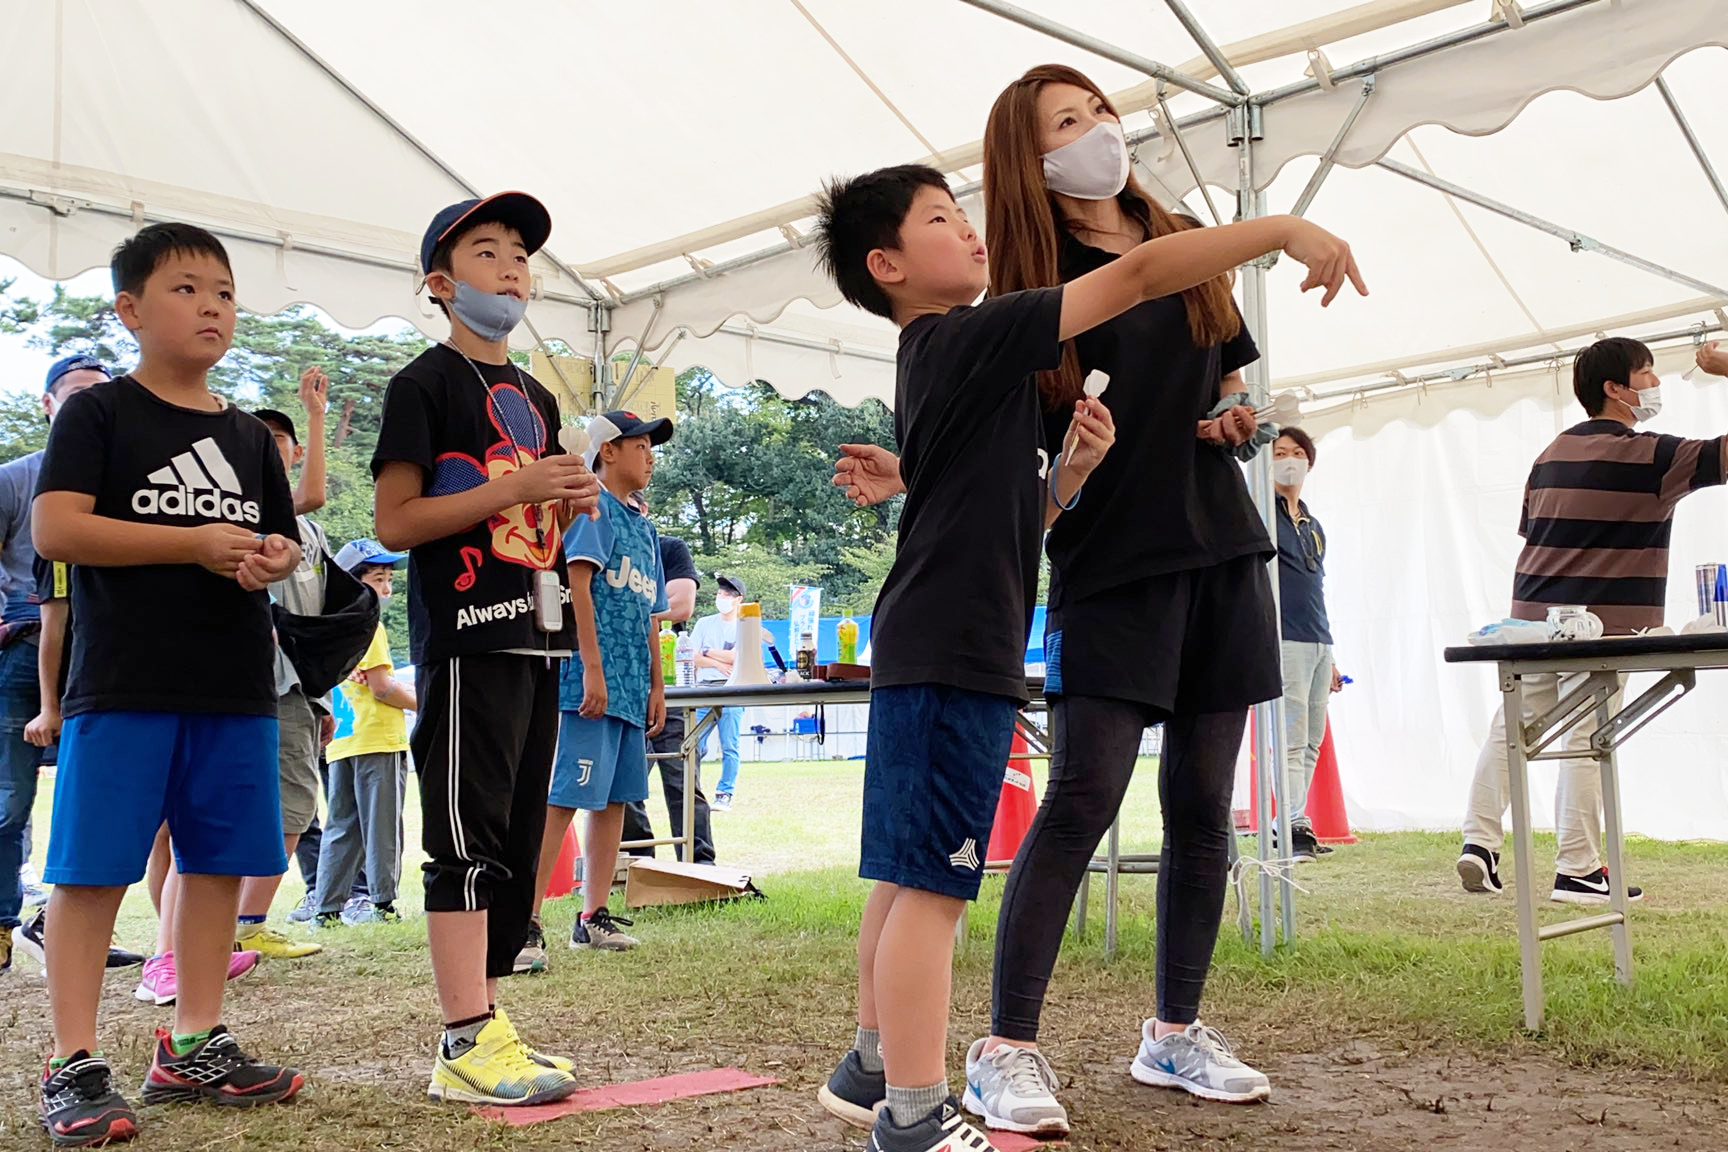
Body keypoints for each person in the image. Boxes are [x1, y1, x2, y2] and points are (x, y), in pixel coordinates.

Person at [830, 68, 1365, 1136]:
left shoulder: (958, 341)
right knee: (961, 866)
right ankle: (926, 1100)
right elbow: (1134, 283)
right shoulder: (987, 325)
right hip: (1020, 610)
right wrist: (1283, 227)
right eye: (942, 218)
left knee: (916, 874)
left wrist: (1063, 477)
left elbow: (1001, 496)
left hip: (997, 618)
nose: (1097, 133)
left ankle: (875, 1070)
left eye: (1097, 112)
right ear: (892, 261)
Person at [32, 222, 307, 1144]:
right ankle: (71, 1060)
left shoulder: (248, 435)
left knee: (220, 864)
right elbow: (58, 530)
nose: (212, 307)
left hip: (234, 686)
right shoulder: (99, 414)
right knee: (92, 869)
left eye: (224, 293)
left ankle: (195, 1042)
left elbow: (280, 542)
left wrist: (266, 559)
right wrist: (189, 543)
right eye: (187, 289)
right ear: (130, 309)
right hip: (123, 684)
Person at [372, 192, 598, 1107]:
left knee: (510, 836)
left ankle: (489, 1024)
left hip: (537, 640)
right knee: (464, 837)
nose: (511, 267)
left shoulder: (537, 396)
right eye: (488, 251)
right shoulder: (421, 385)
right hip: (465, 642)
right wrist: (520, 489)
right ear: (440, 282)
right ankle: (465, 1033)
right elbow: (395, 521)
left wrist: (562, 499)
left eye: (519, 255)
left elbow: (526, 510)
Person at [1457, 336, 1723, 903]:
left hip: (1529, 621)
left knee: (1510, 731)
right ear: (1616, 389)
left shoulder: (1549, 454)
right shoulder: (1654, 455)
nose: (1654, 385)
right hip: (1600, 626)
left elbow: (1535, 534)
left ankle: (1478, 842)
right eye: (1646, 375)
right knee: (1587, 737)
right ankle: (1578, 868)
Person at [523, 410, 671, 972]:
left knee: (615, 799)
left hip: (632, 685)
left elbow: (652, 612)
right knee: (564, 797)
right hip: (591, 682)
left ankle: (592, 916)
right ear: (607, 451)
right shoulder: (592, 507)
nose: (650, 455)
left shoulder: (647, 526)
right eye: (640, 445)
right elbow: (577, 584)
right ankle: (527, 919)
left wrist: (658, 684)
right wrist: (590, 668)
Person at [0, 356, 111, 975]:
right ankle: (2, 923)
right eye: (73, 396)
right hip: (24, 641)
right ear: (48, 405)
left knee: (95, 796)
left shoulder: (121, 478)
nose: (87, 405)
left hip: (101, 647)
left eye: (100, 395)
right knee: (11, 798)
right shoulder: (17, 479)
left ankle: (61, 925)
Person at [231, 383, 334, 960]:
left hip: (296, 684)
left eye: (281, 443)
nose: (273, 452)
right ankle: (232, 925)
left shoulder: (309, 535)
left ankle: (245, 922)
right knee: (267, 804)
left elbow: (312, 617)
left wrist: (321, 697)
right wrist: (318, 416)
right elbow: (314, 494)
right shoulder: (251, 513)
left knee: (292, 801)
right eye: (260, 443)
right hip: (253, 684)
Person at [311, 539, 414, 927]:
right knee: (383, 826)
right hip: (379, 741)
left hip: (343, 742)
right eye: (377, 579)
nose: (386, 588)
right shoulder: (370, 625)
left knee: (342, 826)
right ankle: (383, 903)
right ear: (353, 582)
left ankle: (327, 908)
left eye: (388, 579)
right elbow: (383, 687)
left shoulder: (333, 624)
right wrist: (426, 703)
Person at [622, 508, 714, 865]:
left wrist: (628, 607)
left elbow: (682, 605)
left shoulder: (669, 549)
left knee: (683, 782)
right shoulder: (605, 545)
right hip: (625, 685)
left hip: (673, 685)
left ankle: (700, 866)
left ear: (645, 511)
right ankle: (637, 864)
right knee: (624, 789)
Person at [1272, 427, 1345, 863]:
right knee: (1292, 736)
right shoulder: (1263, 512)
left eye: (1297, 452)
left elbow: (1315, 586)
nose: (1289, 460)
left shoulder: (1311, 524)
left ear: (1309, 463)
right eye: (1280, 452)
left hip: (1318, 638)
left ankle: (1298, 821)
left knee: (1312, 737)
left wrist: (1332, 653)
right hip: (1284, 636)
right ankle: (1291, 824)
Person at [690, 576, 746, 809]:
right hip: (704, 689)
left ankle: (725, 793)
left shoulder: (745, 625)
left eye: (727, 595)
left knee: (729, 745)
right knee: (694, 743)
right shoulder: (704, 623)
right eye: (719, 594)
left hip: (733, 689)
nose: (721, 598)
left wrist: (707, 653)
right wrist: (716, 663)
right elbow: (691, 656)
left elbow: (739, 656)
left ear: (738, 600)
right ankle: (694, 791)